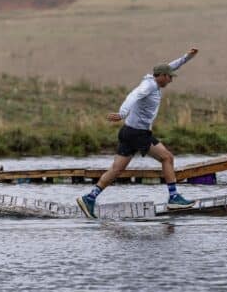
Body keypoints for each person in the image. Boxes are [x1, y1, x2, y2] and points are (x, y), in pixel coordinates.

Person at [76, 48, 199, 218]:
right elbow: (133, 95)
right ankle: (174, 197)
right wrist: (122, 113)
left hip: (128, 132)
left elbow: (173, 66)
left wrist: (187, 57)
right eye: (169, 77)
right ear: (162, 76)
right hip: (138, 134)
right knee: (167, 158)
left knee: (116, 169)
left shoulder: (155, 79)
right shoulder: (148, 86)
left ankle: (89, 198)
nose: (171, 80)